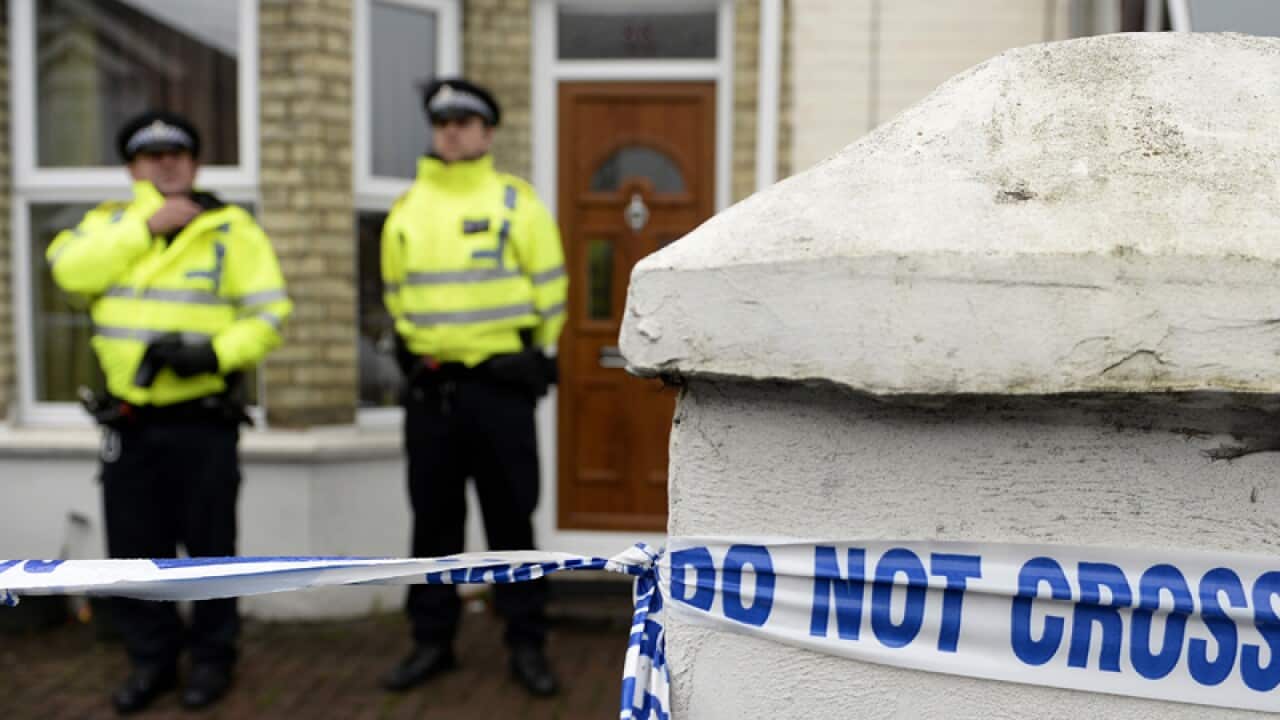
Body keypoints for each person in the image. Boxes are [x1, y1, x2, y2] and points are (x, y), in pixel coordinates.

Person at [46, 110, 292, 714]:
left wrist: (212, 353)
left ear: (196, 164)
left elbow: (269, 316)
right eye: (152, 156)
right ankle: (151, 661)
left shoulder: (232, 230)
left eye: (178, 153)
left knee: (211, 554)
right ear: (132, 168)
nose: (167, 163)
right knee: (134, 557)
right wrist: (145, 228)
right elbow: (67, 270)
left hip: (202, 422)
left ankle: (212, 662)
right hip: (130, 424)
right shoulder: (107, 226)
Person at [380, 78, 567, 697]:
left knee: (512, 523)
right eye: (443, 122)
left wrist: (519, 356)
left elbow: (551, 298)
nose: (452, 131)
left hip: (500, 394)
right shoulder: (408, 210)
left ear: (488, 132)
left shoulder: (519, 204)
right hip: (433, 395)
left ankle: (527, 645)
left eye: (465, 121)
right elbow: (398, 299)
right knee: (432, 528)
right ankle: (430, 643)